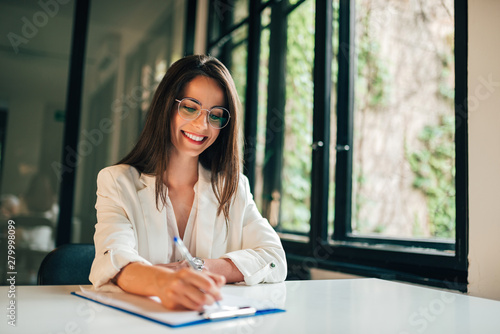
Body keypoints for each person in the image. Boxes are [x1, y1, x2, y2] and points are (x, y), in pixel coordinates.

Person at [89, 55, 287, 311]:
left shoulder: (234, 188)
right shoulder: (117, 182)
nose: (202, 125)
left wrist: (196, 267)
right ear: (166, 107)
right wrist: (164, 283)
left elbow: (274, 259)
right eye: (190, 107)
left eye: (215, 116)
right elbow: (112, 261)